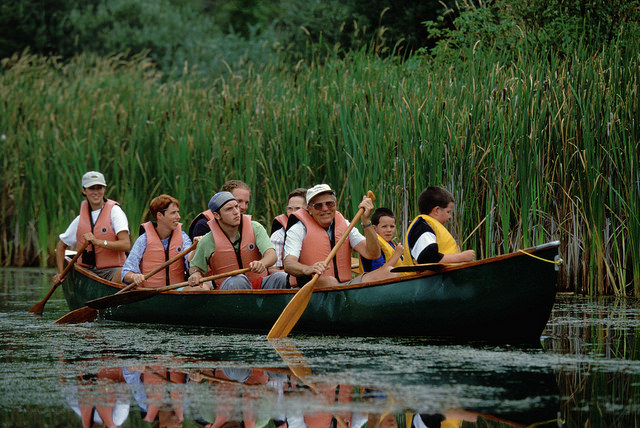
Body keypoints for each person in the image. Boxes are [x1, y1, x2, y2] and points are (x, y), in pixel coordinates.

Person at [283, 184, 381, 288]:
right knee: (330, 282)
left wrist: (366, 221)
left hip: (343, 285)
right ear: (309, 209)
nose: (325, 209)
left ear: (335, 204)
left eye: (329, 204)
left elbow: (373, 254)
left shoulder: (345, 225)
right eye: (318, 206)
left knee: (387, 272)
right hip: (311, 286)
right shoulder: (298, 229)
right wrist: (308, 269)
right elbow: (289, 264)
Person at [187, 191, 288, 290]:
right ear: (217, 215)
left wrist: (262, 263)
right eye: (229, 209)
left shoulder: (255, 228)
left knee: (281, 277)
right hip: (228, 289)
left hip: (259, 285)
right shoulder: (207, 240)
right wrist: (195, 273)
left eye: (236, 207)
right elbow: (194, 266)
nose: (236, 212)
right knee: (238, 280)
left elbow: (271, 255)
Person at [54, 171, 130, 284]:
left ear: (104, 189)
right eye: (91, 188)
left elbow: (126, 245)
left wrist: (98, 242)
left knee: (126, 275)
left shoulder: (115, 212)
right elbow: (61, 246)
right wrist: (60, 274)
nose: (96, 192)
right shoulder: (80, 219)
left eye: (99, 188)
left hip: (113, 271)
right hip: (87, 272)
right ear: (84, 190)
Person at [121, 194, 195, 289]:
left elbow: (190, 259)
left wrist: (195, 248)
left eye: (178, 212)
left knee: (203, 288)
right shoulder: (143, 240)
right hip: (150, 292)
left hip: (177, 291)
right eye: (173, 213)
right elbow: (126, 273)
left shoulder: (182, 237)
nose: (178, 216)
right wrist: (134, 276)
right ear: (159, 215)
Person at [403, 186, 475, 265]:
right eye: (448, 212)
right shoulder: (422, 228)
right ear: (436, 211)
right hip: (426, 276)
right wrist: (461, 257)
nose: (450, 216)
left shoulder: (430, 227)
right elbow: (428, 258)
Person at [355, 207, 405, 282]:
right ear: (374, 229)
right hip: (374, 284)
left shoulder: (391, 243)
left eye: (392, 226)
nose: (389, 230)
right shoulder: (374, 245)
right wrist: (397, 254)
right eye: (384, 227)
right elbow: (380, 273)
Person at [268, 188, 307, 274]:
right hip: (290, 280)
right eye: (290, 209)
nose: (293, 213)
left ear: (309, 209)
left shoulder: (321, 229)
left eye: (298, 209)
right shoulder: (278, 235)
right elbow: (272, 270)